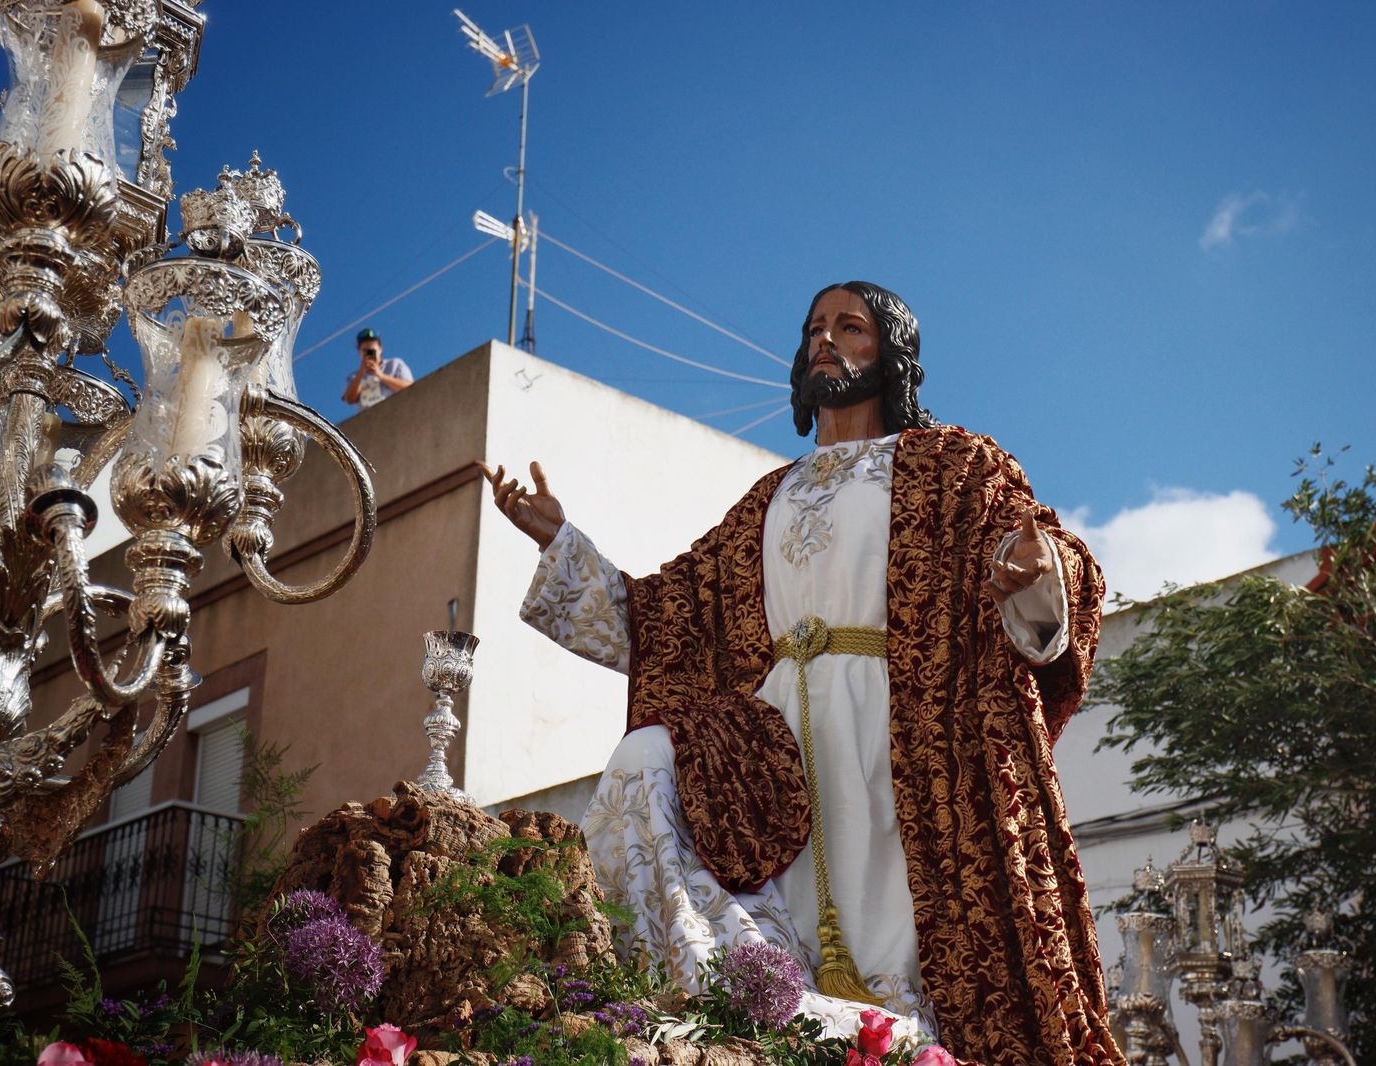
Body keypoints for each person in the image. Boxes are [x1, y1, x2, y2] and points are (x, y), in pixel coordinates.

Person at [480, 281, 1124, 1066]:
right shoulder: (766, 499)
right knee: (664, 773)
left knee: (898, 930)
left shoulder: (952, 464)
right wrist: (560, 542)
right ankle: (755, 1015)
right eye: (815, 327)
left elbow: (1048, 558)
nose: (826, 340)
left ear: (889, 353)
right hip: (778, 748)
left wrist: (1036, 572)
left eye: (849, 327)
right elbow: (665, 622)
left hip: (907, 736)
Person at [341, 327, 413, 410]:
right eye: (365, 350)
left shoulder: (395, 364)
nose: (368, 353)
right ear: (359, 352)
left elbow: (409, 387)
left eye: (371, 350)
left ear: (380, 349)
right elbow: (350, 400)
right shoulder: (353, 377)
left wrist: (381, 375)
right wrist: (361, 373)